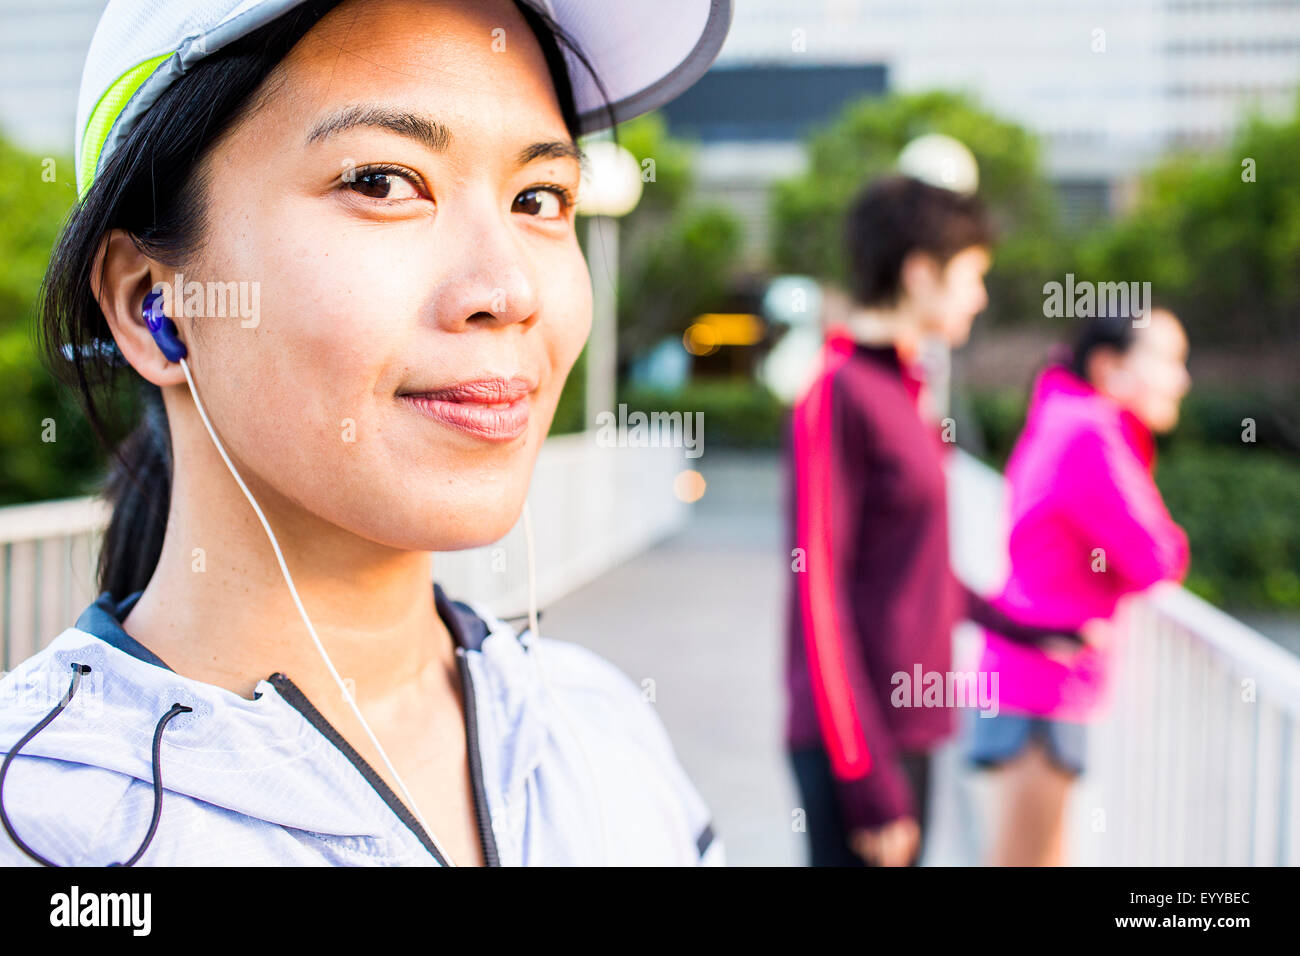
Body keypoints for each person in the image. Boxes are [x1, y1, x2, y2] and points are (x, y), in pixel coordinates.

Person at [0, 0, 733, 867]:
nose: (508, 288)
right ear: (151, 302)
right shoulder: (43, 821)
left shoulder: (603, 732)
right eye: (383, 182)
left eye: (539, 197)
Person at [784, 176, 1076, 867]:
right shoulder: (838, 392)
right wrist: (863, 776)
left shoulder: (906, 390)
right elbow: (817, 596)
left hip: (911, 727)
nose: (979, 295)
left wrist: (1024, 626)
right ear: (920, 274)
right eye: (972, 275)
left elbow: (914, 568)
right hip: (857, 742)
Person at [968, 307, 1192, 866]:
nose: (1182, 379)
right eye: (1169, 361)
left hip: (1034, 676)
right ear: (1109, 365)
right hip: (1041, 685)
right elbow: (1157, 557)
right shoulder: (1090, 430)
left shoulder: (1063, 415)